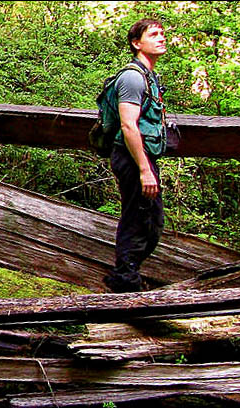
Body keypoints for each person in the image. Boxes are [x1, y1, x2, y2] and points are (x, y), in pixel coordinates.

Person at [103, 18, 169, 293]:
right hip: (132, 158)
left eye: (163, 33)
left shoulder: (149, 76)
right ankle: (124, 281)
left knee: (151, 221)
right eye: (153, 34)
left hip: (140, 157)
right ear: (136, 43)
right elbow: (129, 125)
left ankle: (125, 275)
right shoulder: (132, 77)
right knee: (139, 218)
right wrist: (144, 169)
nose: (161, 38)